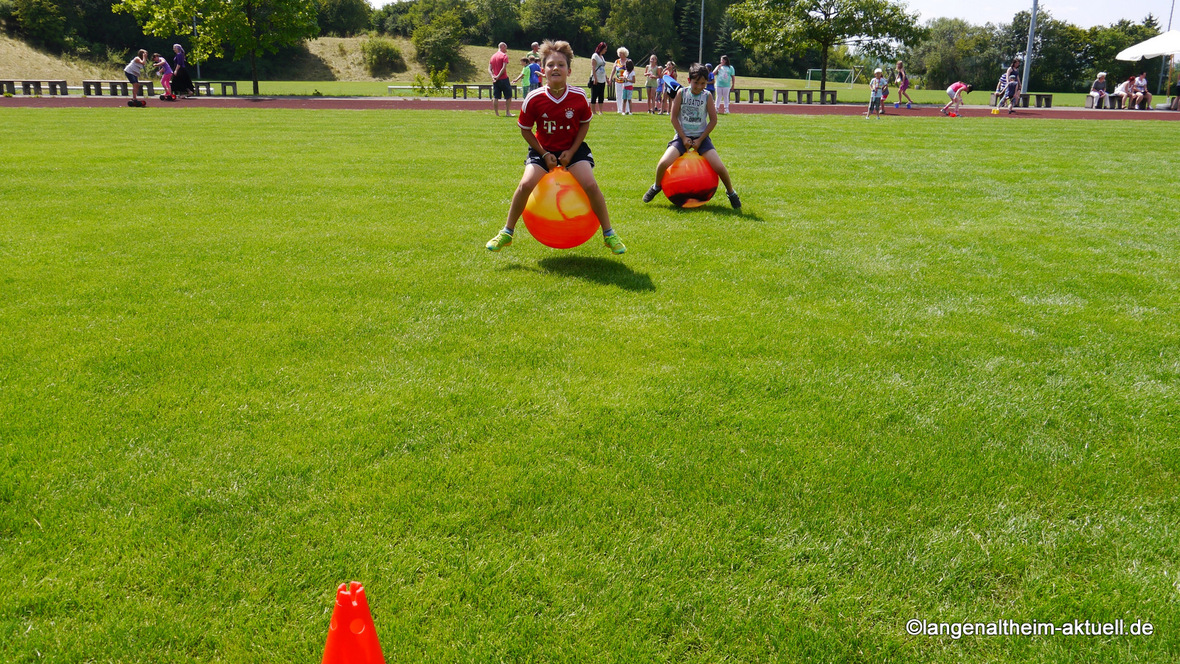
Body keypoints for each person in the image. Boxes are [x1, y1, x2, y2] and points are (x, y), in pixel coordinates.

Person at [486, 40, 626, 255]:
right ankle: (507, 232)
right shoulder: (533, 98)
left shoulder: (578, 96)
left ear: (569, 70)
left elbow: (584, 123)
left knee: (590, 184)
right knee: (525, 185)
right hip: (543, 150)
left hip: (573, 150)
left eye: (561, 65)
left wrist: (571, 152)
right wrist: (544, 154)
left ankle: (609, 233)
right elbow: (525, 129)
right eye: (551, 65)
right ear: (543, 70)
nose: (555, 68)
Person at [642, 62, 740, 209]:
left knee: (719, 167)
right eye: (696, 83)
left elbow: (713, 120)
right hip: (682, 137)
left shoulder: (707, 96)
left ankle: (731, 192)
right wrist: (683, 138)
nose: (700, 86)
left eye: (703, 83)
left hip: (702, 138)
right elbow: (673, 118)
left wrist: (700, 140)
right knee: (663, 163)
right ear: (689, 81)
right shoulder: (682, 94)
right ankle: (656, 186)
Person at [488, 42, 513, 117]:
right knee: (508, 96)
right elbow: (503, 68)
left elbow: (489, 68)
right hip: (503, 78)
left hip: (495, 80)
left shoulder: (493, 56)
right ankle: (507, 112)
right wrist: (498, 76)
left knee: (496, 97)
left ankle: (497, 114)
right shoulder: (504, 56)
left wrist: (493, 76)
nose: (506, 50)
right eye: (506, 47)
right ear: (502, 47)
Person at [589, 42, 608, 116]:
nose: (605, 50)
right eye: (605, 49)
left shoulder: (602, 57)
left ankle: (600, 111)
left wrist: (606, 78)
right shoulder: (595, 56)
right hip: (596, 78)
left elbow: (603, 68)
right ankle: (593, 111)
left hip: (602, 78)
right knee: (594, 95)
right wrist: (595, 78)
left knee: (601, 95)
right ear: (601, 48)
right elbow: (593, 67)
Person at [610, 46, 629, 114]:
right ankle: (619, 109)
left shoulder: (628, 61)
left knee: (625, 95)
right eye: (619, 53)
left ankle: (627, 109)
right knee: (618, 95)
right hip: (618, 81)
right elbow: (613, 70)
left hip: (625, 81)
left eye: (622, 53)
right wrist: (610, 78)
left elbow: (631, 70)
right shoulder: (617, 61)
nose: (620, 55)